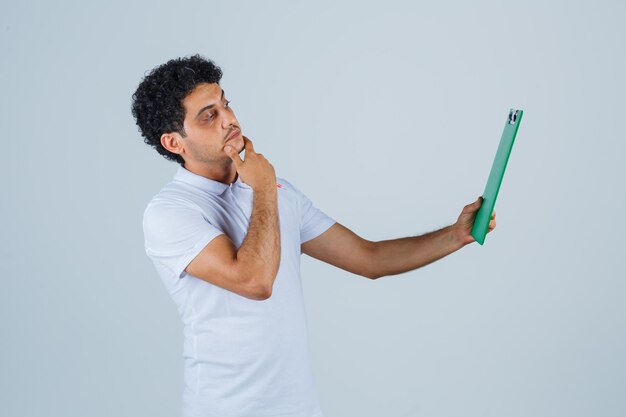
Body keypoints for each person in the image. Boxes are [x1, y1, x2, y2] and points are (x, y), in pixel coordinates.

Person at [131, 54, 496, 417]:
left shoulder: (277, 192)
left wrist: (455, 235)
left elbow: (369, 258)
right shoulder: (171, 212)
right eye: (208, 115)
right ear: (174, 142)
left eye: (225, 104)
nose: (228, 119)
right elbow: (255, 281)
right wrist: (262, 190)